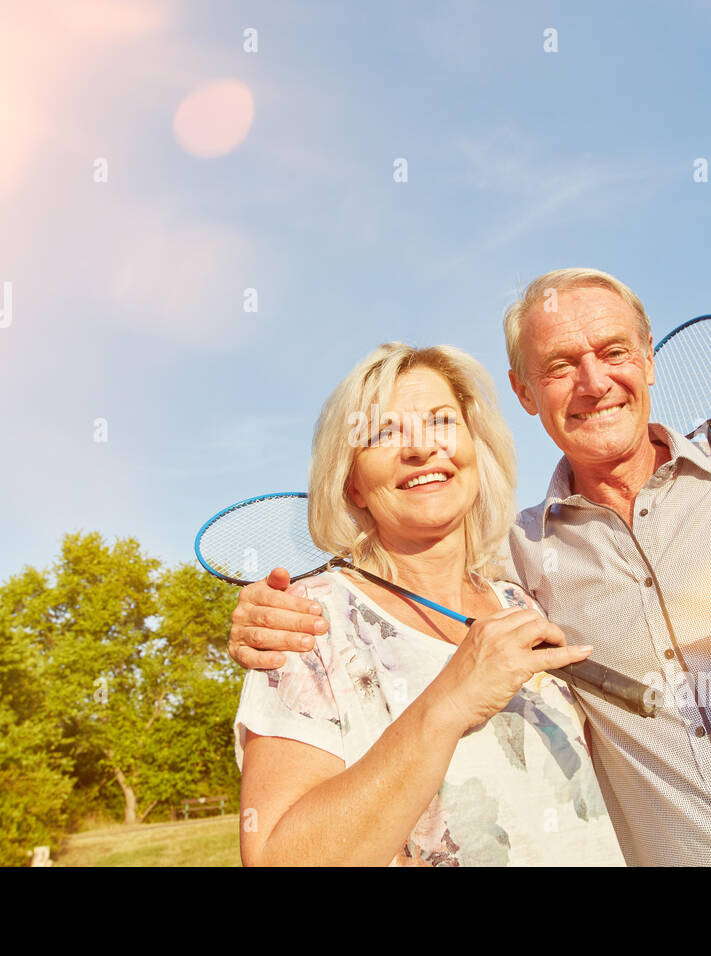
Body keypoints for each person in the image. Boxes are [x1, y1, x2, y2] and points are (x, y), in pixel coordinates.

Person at [231, 267, 711, 866]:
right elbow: (397, 587)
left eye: (613, 351)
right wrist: (268, 615)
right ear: (525, 393)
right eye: (561, 364)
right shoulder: (519, 563)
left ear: (647, 359)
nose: (595, 381)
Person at [232, 342, 625, 866]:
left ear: (473, 448)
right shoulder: (306, 626)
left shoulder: (524, 600)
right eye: (383, 433)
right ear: (352, 484)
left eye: (441, 422)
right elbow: (279, 859)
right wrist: (449, 701)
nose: (421, 449)